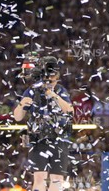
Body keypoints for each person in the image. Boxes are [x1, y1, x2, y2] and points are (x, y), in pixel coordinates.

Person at [13, 56, 74, 191]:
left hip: (59, 139)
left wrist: (52, 94)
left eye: (55, 79)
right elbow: (17, 117)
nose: (52, 82)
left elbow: (70, 110)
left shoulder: (60, 91)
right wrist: (22, 104)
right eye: (50, 79)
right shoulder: (32, 90)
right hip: (38, 139)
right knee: (40, 177)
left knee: (57, 179)